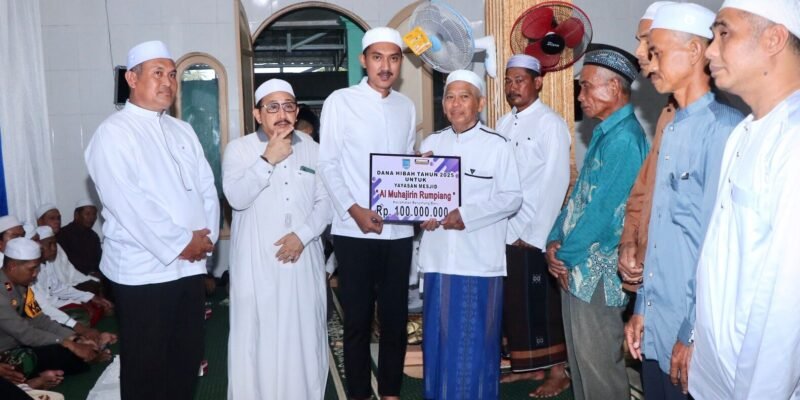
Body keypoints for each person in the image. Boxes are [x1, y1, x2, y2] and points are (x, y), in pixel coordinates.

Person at [84, 40, 219, 399]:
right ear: (132, 78)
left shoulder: (182, 130)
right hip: (144, 271)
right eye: (158, 73)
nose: (168, 82)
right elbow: (129, 203)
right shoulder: (114, 133)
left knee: (185, 359)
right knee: (146, 368)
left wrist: (205, 242)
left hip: (189, 268)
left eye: (172, 75)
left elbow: (207, 188)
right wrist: (182, 242)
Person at [621, 4, 743, 399]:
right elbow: (659, 233)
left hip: (693, 334)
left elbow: (715, 247)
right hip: (656, 321)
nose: (646, 60)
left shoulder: (723, 130)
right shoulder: (672, 127)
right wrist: (641, 308)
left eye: (655, 51)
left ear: (693, 52)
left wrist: (691, 332)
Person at [690, 1, 800, 398]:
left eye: (724, 33)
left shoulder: (794, 141)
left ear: (773, 38)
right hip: (718, 373)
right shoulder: (745, 132)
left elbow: (788, 301)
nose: (710, 51)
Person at [545, 44, 648, 400]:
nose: (580, 95)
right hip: (576, 266)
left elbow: (603, 215)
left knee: (600, 375)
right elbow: (578, 199)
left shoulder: (626, 140)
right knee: (583, 369)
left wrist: (562, 255)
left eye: (586, 86)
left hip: (597, 274)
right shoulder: (607, 133)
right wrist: (553, 241)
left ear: (614, 88)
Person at [318, 27, 415, 400]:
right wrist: (353, 209)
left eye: (393, 58)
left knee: (395, 319)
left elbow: (404, 162)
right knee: (357, 321)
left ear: (400, 63)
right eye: (377, 57)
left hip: (399, 231)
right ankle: (359, 393)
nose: (385, 66)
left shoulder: (406, 106)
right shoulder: (341, 101)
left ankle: (390, 392)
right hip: (353, 229)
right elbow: (328, 164)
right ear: (363, 61)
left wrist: (420, 172)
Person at [224, 79, 331, 399]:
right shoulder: (240, 149)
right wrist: (267, 159)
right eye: (272, 107)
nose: (282, 114)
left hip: (303, 258)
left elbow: (326, 203)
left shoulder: (314, 149)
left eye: (288, 106)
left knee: (303, 335)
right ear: (258, 114)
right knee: (258, 337)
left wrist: (302, 235)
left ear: (297, 112)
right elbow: (236, 198)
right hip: (256, 262)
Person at [418, 69, 522, 400]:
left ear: (480, 103)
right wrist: (423, 213)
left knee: (475, 346)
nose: (456, 104)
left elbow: (511, 198)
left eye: (464, 97)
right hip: (438, 260)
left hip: (477, 262)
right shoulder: (431, 144)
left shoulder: (497, 145)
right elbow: (419, 196)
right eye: (450, 97)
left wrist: (466, 215)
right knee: (437, 343)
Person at [495, 54, 572, 398]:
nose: (513, 87)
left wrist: (536, 235)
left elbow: (557, 179)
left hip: (533, 232)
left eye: (520, 80)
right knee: (516, 305)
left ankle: (558, 373)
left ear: (537, 82)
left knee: (543, 304)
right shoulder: (502, 123)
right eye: (508, 81)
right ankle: (528, 367)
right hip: (504, 229)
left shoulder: (550, 123)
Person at [617, 1, 677, 292]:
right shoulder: (668, 114)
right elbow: (643, 191)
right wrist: (629, 241)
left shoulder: (720, 121)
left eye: (648, 42)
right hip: (647, 274)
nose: (639, 52)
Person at [0, 238, 109, 389]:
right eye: (32, 269)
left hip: (21, 343)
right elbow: (25, 334)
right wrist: (70, 345)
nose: (35, 274)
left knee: (62, 346)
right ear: (12, 266)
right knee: (36, 358)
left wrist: (75, 338)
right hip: (6, 352)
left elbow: (39, 319)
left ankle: (82, 357)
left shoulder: (21, 286)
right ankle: (29, 383)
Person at [35, 204, 100, 294]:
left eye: (58, 218)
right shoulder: (37, 245)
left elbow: (71, 272)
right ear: (40, 221)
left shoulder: (57, 245)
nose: (57, 222)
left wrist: (90, 278)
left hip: (65, 288)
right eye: (52, 218)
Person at [56, 199, 102, 280]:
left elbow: (99, 261)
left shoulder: (94, 236)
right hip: (72, 279)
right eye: (87, 214)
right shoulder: (63, 234)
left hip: (95, 278)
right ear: (76, 215)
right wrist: (88, 274)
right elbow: (65, 263)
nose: (92, 218)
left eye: (94, 214)